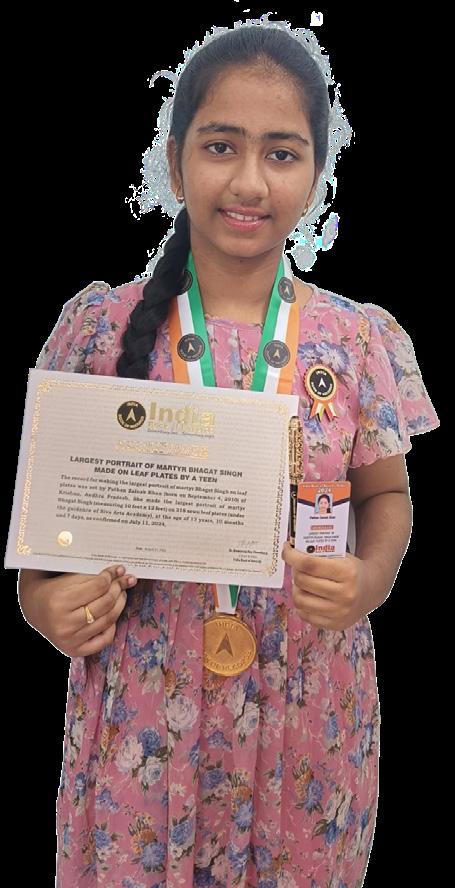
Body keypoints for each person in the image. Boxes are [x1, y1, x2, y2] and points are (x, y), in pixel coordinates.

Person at [18, 22, 440, 888]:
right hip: (141, 717)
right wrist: (42, 603)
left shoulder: (356, 340)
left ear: (315, 175)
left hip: (308, 716)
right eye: (220, 147)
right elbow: (44, 530)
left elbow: (385, 496)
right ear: (175, 164)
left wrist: (370, 579)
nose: (249, 181)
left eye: (281, 154)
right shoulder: (96, 330)